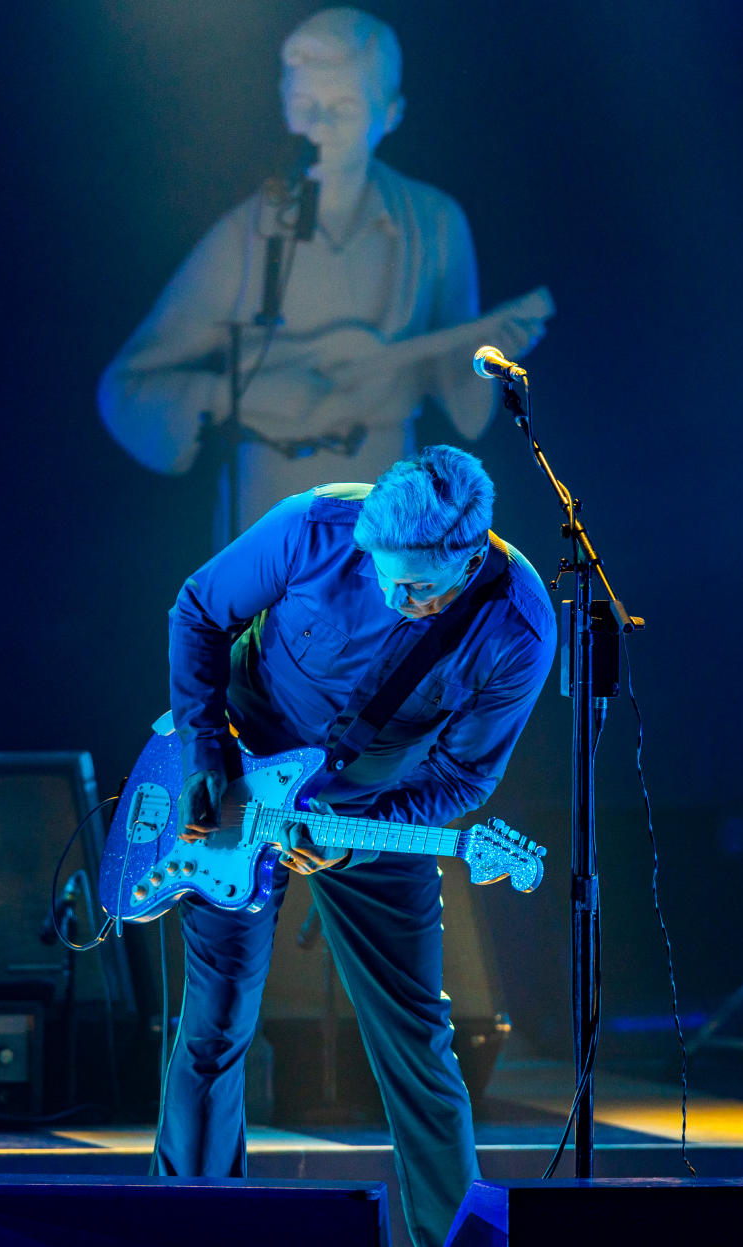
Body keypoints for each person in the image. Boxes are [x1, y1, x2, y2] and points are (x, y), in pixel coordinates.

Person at [160, 444, 556, 1247]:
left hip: (373, 810)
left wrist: (353, 847)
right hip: (237, 769)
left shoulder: (518, 627)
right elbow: (198, 608)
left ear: (472, 553)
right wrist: (206, 752)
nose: (390, 593)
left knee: (419, 1041)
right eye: (379, 572)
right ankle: (191, 1228)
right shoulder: (316, 523)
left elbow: (461, 780)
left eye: (416, 587)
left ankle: (453, 1240)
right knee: (214, 1022)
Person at [98, 7, 553, 543]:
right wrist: (236, 395)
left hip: (388, 516)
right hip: (266, 512)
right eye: (304, 106)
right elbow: (130, 386)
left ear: (390, 114)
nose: (321, 128)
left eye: (344, 107)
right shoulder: (247, 235)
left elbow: (466, 411)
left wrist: (490, 351)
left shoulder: (433, 224)